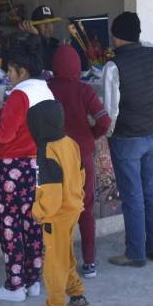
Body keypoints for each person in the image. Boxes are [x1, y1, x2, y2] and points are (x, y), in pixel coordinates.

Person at [101, 12, 153, 267]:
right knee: (151, 194)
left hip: (127, 137)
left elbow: (110, 110)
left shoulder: (113, 67)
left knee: (133, 197)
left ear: (115, 36)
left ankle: (135, 254)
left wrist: (107, 134)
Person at [0, 49, 50, 301]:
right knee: (32, 225)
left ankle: (14, 286)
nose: (8, 76)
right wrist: (5, 113)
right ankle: (33, 281)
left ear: (22, 71)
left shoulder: (20, 94)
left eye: (10, 71)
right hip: (37, 166)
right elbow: (26, 124)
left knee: (10, 226)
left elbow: (4, 135)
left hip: (14, 168)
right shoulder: (45, 90)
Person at [25, 98, 92, 306]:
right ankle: (77, 297)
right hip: (73, 209)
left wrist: (38, 211)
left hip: (56, 216)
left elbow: (51, 193)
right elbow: (82, 174)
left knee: (54, 264)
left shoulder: (47, 151)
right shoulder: (70, 142)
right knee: (66, 256)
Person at [47, 44, 111, 279]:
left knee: (56, 209)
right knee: (85, 207)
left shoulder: (46, 89)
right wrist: (89, 137)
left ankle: (60, 260)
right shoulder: (85, 91)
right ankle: (89, 262)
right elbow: (104, 122)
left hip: (54, 156)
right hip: (82, 155)